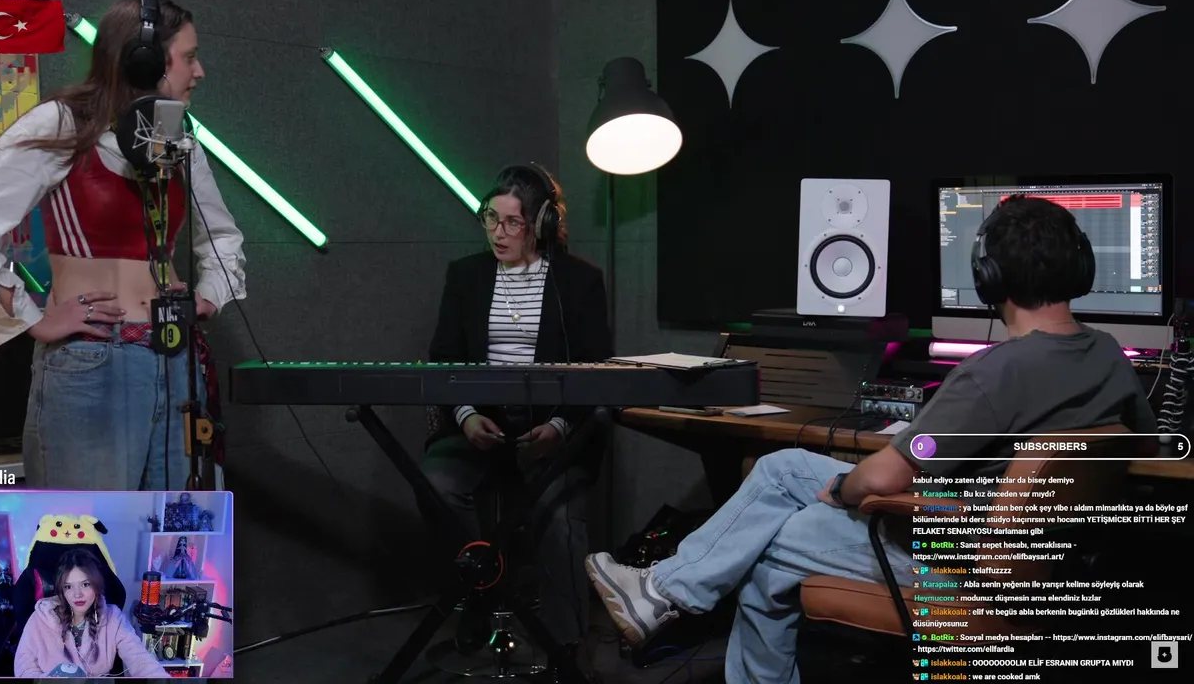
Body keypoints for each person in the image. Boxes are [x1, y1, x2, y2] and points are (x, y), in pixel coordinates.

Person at [584, 196, 1158, 684]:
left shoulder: (993, 374)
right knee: (782, 467)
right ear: (1079, 265)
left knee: (769, 540)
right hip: (1049, 561)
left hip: (956, 559)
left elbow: (886, 477)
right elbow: (1145, 445)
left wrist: (843, 490)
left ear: (989, 278)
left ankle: (665, 593)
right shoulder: (1109, 356)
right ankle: (662, 589)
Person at [0, 0, 247, 491]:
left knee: (179, 530)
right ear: (145, 61)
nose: (199, 71)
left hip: (177, 361)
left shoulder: (177, 136)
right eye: (189, 57)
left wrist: (210, 293)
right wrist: (32, 317)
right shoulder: (63, 123)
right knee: (87, 533)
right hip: (94, 361)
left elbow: (221, 234)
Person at [421, 164, 613, 655]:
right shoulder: (465, 276)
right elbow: (443, 358)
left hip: (551, 431)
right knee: (437, 484)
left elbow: (597, 370)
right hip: (479, 425)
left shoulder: (579, 282)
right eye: (490, 218)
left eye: (512, 222)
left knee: (560, 519)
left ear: (542, 224)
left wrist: (560, 426)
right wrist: (465, 415)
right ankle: (481, 598)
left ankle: (566, 648)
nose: (498, 233)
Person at [14, 548, 169, 677]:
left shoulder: (113, 618)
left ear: (96, 585)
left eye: (85, 584)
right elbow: (24, 669)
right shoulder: (40, 619)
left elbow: (140, 660)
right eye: (68, 586)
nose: (77, 594)